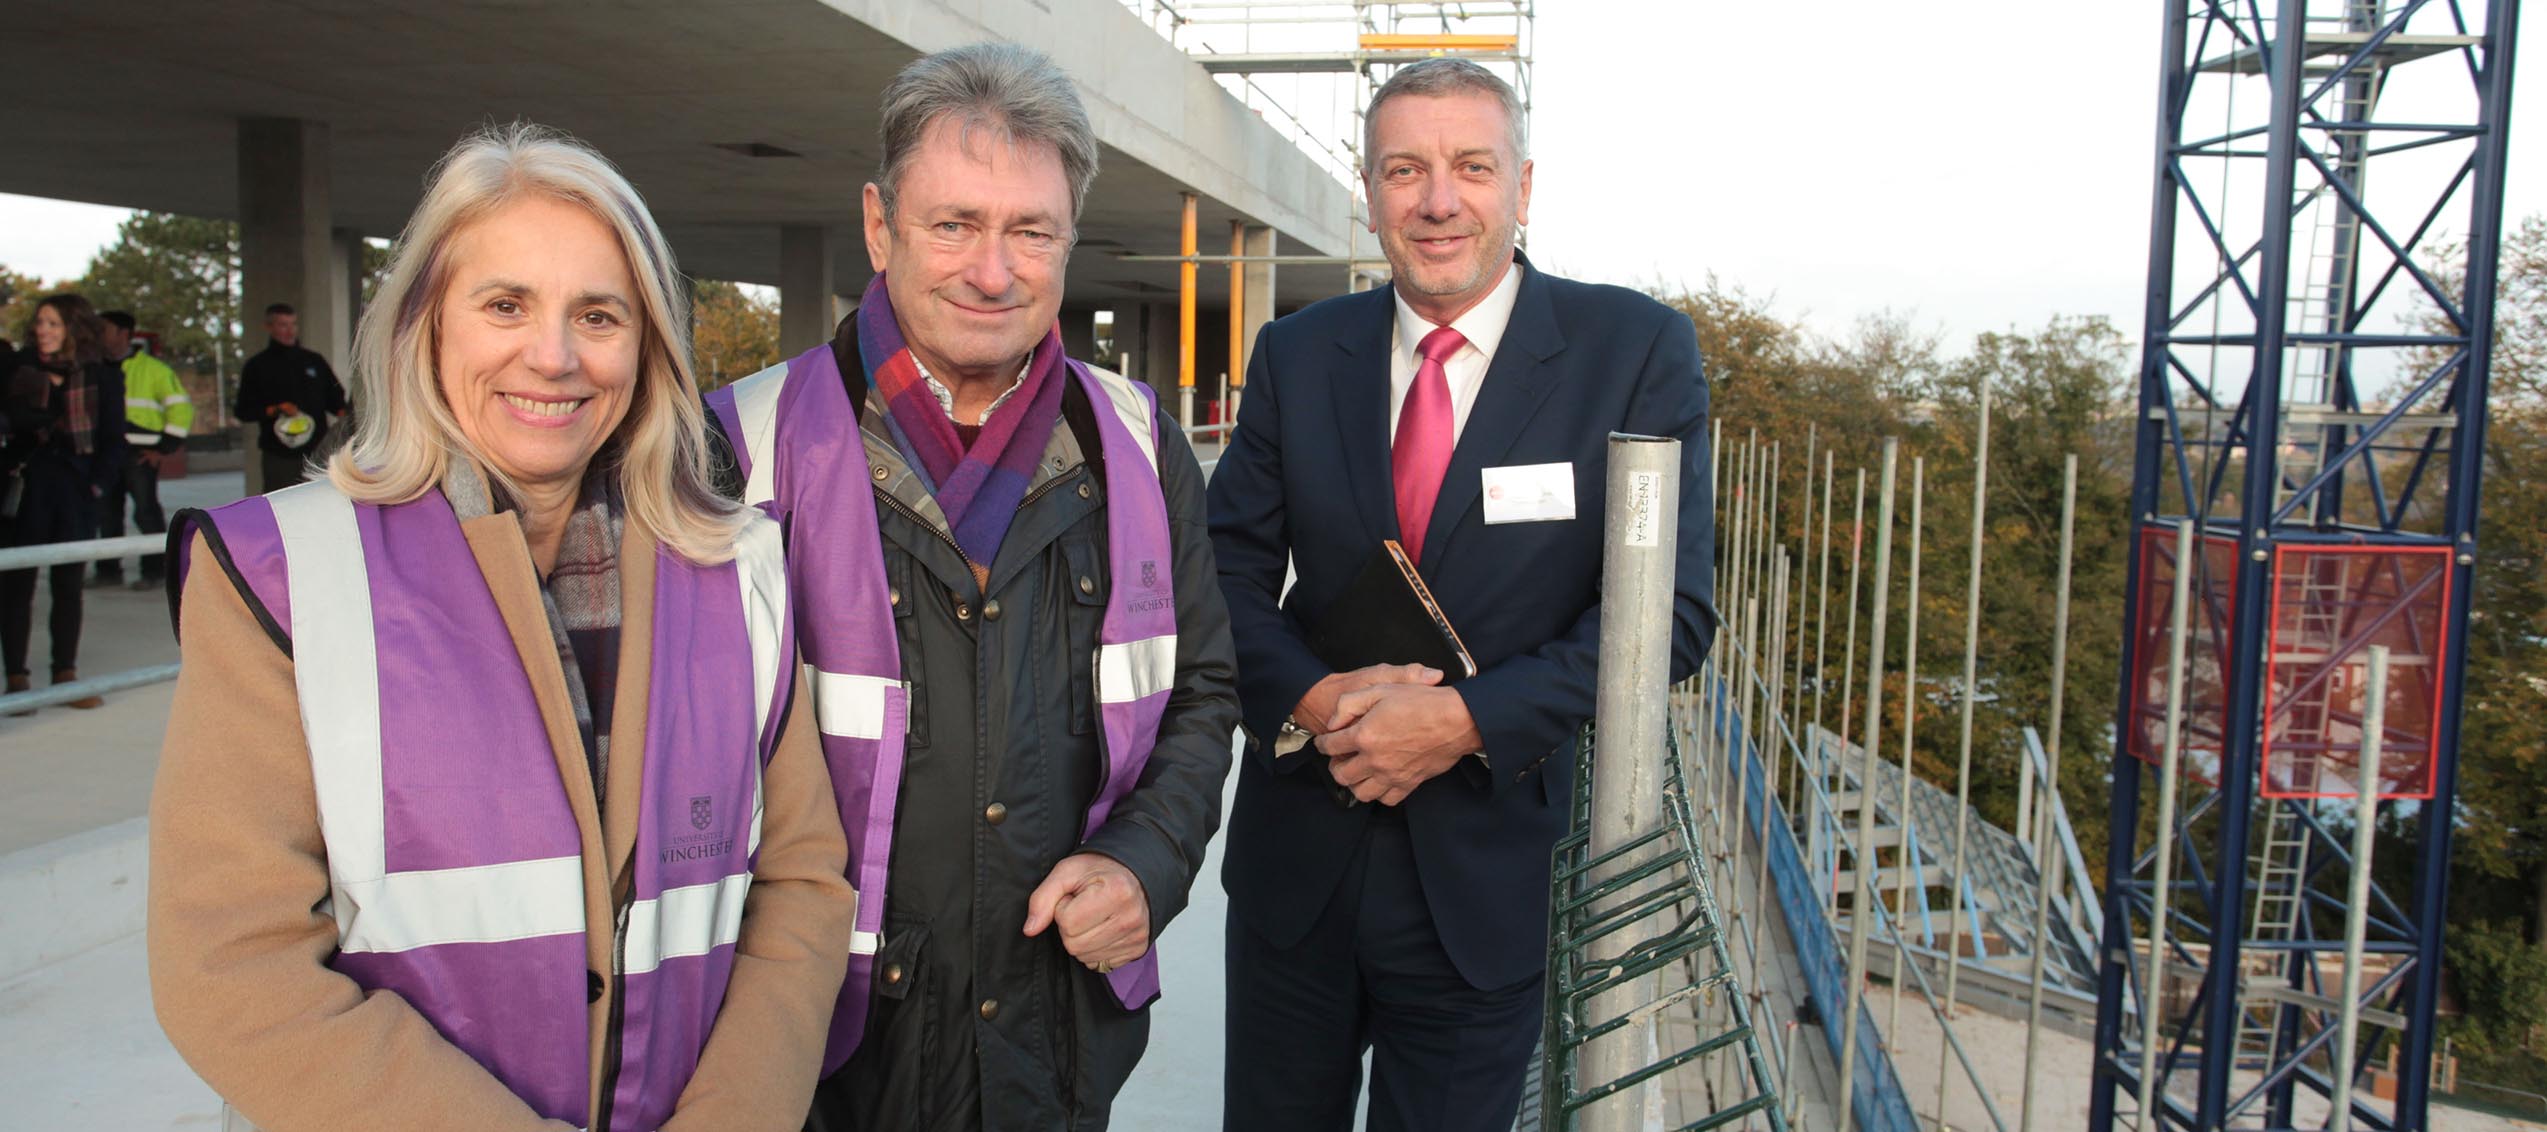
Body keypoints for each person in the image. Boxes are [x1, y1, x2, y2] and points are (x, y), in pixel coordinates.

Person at [149, 124, 857, 1132]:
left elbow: (800, 888)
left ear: (648, 341)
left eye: (599, 314)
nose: (555, 356)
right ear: (427, 324)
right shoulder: (280, 573)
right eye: (506, 304)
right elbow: (229, 958)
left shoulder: (739, 566)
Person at [701, 43, 1239, 1132]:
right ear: (877, 224)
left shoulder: (1136, 444)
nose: (993, 270)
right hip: (810, 1049)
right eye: (953, 224)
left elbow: (1202, 689)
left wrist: (1147, 865)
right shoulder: (735, 451)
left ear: (1067, 239)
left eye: (1030, 230)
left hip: (1053, 1040)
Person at [1206, 58, 1716, 1132]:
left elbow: (1665, 615)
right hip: (1297, 867)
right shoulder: (1298, 355)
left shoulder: (1629, 352)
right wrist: (1316, 702)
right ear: (1370, 187)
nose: (1439, 199)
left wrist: (1460, 721)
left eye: (1470, 167)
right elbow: (1223, 575)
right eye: (1407, 169)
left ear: (1522, 187)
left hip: (1486, 882)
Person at [2, 293, 126, 710]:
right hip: (28, 487)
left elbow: (112, 439)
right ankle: (17, 679)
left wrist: (97, 487)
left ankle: (64, 675)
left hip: (76, 489)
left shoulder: (98, 375)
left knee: (68, 584)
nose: (43, 331)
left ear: (73, 329)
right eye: (40, 323)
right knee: (17, 584)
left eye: (53, 324)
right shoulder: (19, 368)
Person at [93, 310, 192, 589]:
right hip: (107, 454)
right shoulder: (95, 370)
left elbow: (181, 409)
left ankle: (155, 572)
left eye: (105, 330)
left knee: (146, 513)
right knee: (107, 514)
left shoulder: (154, 370)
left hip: (140, 455)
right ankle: (108, 570)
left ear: (124, 334)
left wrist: (164, 448)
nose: (99, 335)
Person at [232, 301, 348, 491]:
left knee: (321, 502)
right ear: (269, 327)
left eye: (293, 324)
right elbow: (244, 410)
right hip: (279, 455)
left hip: (317, 451)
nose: (290, 330)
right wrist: (276, 409)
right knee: (281, 503)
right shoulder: (257, 366)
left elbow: (336, 400)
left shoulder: (314, 361)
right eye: (282, 325)